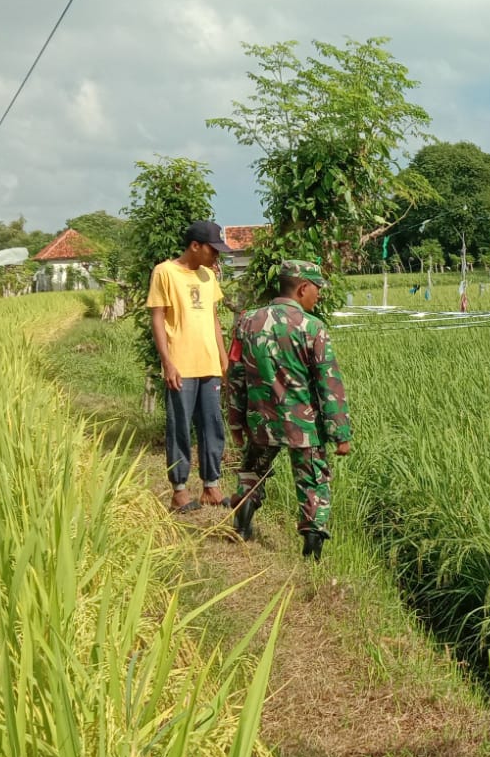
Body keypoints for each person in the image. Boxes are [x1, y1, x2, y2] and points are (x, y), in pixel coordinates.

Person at [226, 260, 352, 560]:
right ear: (302, 287)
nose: (318, 295)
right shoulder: (312, 327)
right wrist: (340, 434)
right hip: (303, 425)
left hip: (260, 420)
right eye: (317, 289)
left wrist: (235, 422)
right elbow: (328, 383)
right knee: (312, 483)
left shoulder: (247, 321)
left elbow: (236, 374)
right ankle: (312, 552)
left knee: (252, 473)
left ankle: (241, 527)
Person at [147, 219, 231, 511]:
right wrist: (167, 362)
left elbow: (214, 318)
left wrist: (223, 358)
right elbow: (157, 317)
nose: (216, 256)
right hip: (180, 364)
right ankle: (180, 490)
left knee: (212, 425)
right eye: (213, 249)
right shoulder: (165, 272)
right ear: (195, 246)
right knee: (180, 426)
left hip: (208, 363)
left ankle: (211, 485)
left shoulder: (209, 276)